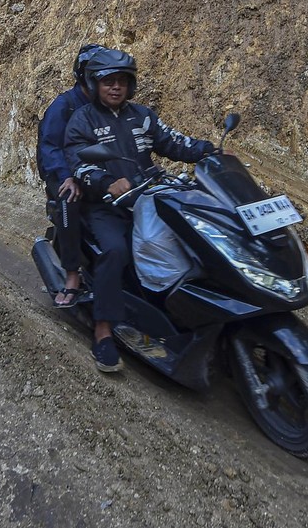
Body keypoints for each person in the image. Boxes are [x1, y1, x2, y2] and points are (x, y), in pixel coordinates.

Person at [64, 48, 215, 373]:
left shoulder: (142, 116)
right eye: (108, 81)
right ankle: (103, 330)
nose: (115, 87)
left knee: (195, 240)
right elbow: (77, 161)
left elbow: (174, 142)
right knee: (116, 250)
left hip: (148, 199)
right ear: (95, 83)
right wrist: (105, 181)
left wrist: (210, 152)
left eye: (122, 81)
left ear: (130, 85)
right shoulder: (83, 120)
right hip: (106, 207)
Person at [36, 44, 104, 307]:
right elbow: (50, 146)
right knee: (69, 200)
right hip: (62, 171)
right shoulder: (63, 106)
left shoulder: (106, 105)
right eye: (95, 74)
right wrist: (66, 176)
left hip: (95, 171)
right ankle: (72, 277)